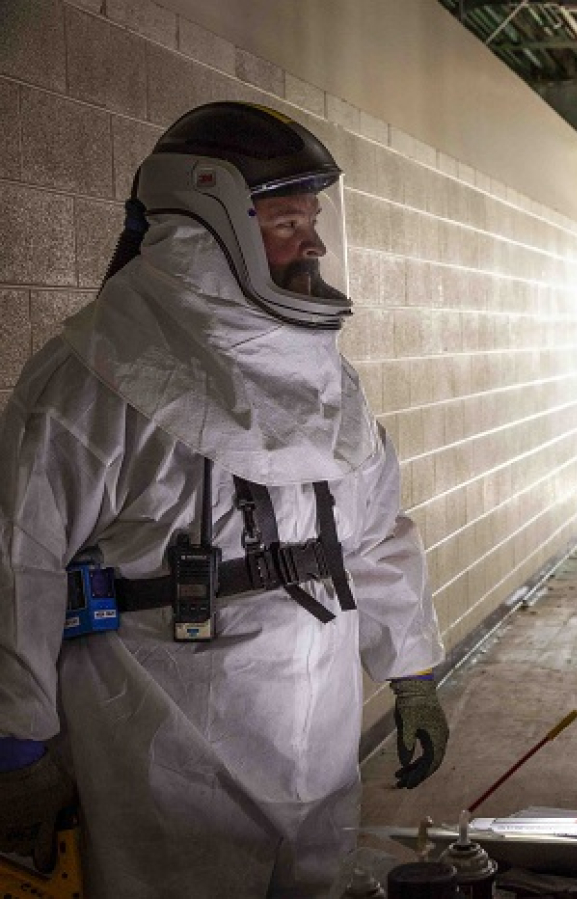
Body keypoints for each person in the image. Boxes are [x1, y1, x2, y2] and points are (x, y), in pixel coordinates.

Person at [0, 102, 449, 897]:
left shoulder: (327, 382)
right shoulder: (92, 379)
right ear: (213, 227)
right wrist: (15, 737)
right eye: (285, 221)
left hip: (318, 731)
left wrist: (410, 668)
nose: (313, 242)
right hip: (161, 743)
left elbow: (374, 534)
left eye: (311, 219)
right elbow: (16, 559)